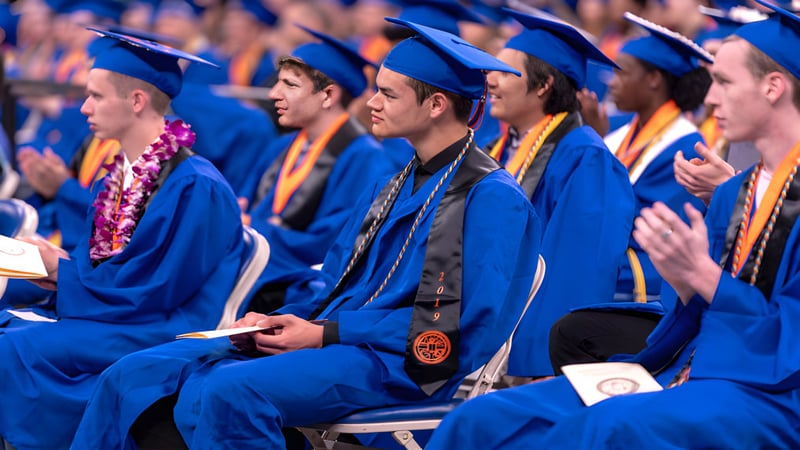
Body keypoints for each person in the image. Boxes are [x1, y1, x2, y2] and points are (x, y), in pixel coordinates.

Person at [71, 18, 541, 450]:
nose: (371, 103)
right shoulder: (396, 182)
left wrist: (326, 333)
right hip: (345, 340)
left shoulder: (489, 197)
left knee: (230, 388)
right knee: (150, 368)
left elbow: (455, 322)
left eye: (388, 94)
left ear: (436, 105)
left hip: (400, 361)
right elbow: (335, 279)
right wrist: (280, 319)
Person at [427, 1, 800, 448]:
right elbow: (691, 312)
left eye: (724, 81)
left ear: (773, 87)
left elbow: (788, 343)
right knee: (481, 418)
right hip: (690, 366)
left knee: (598, 429)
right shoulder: (734, 191)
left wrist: (702, 276)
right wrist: (684, 280)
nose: (710, 98)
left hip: (767, 392)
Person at [0, 29, 245, 449]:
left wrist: (63, 274)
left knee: (13, 349)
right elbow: (109, 265)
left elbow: (159, 289)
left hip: (162, 326)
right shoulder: (116, 178)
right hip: (121, 311)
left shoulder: (194, 185)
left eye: (95, 96)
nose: (83, 107)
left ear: (136, 101)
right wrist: (59, 268)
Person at [548, 13, 713, 373]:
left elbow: (650, 224)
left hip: (648, 267)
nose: (611, 79)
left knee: (568, 274)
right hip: (613, 250)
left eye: (623, 71)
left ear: (653, 79)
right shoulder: (620, 132)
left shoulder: (686, 146)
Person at [483, 8, 635, 377]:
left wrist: (535, 362)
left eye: (504, 72)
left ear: (544, 85)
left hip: (528, 354)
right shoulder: (497, 148)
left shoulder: (585, 158)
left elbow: (575, 270)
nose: (490, 80)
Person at [235, 25, 392, 313]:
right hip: (258, 265)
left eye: (290, 85)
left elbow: (332, 243)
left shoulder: (366, 159)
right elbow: (245, 202)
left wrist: (252, 228)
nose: (273, 93)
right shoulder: (281, 146)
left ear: (328, 95)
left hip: (300, 287)